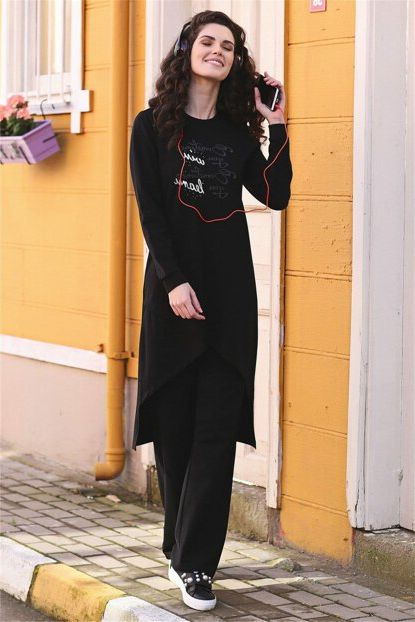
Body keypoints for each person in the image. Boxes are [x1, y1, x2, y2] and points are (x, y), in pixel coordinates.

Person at [129, 10, 293, 612]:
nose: (218, 51)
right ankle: (178, 546)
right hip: (173, 295)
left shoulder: (236, 133)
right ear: (187, 49)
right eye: (208, 41)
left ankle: (197, 564)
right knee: (175, 433)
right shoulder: (152, 125)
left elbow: (276, 194)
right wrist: (173, 281)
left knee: (215, 434)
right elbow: (151, 210)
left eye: (228, 46)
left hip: (229, 301)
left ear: (235, 62)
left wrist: (276, 123)